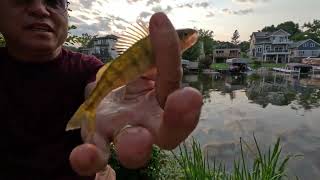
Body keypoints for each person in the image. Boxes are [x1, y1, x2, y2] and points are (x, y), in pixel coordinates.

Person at [0, 0, 203, 179]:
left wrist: (108, 106)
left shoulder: (86, 67)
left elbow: (100, 89)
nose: (39, 8)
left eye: (54, 1)